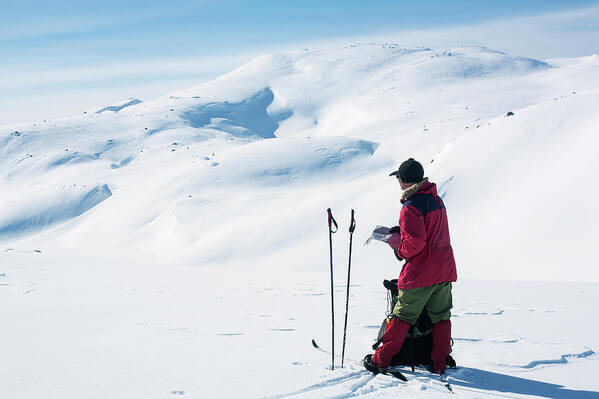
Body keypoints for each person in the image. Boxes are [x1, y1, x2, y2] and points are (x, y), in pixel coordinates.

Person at [364, 158, 457, 375]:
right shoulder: (436, 200)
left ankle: (381, 360)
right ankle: (439, 362)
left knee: (402, 316)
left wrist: (399, 249)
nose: (397, 181)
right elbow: (431, 233)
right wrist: (402, 232)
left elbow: (415, 243)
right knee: (441, 316)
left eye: (398, 178)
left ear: (405, 181)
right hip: (444, 269)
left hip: (421, 273)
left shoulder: (411, 206)